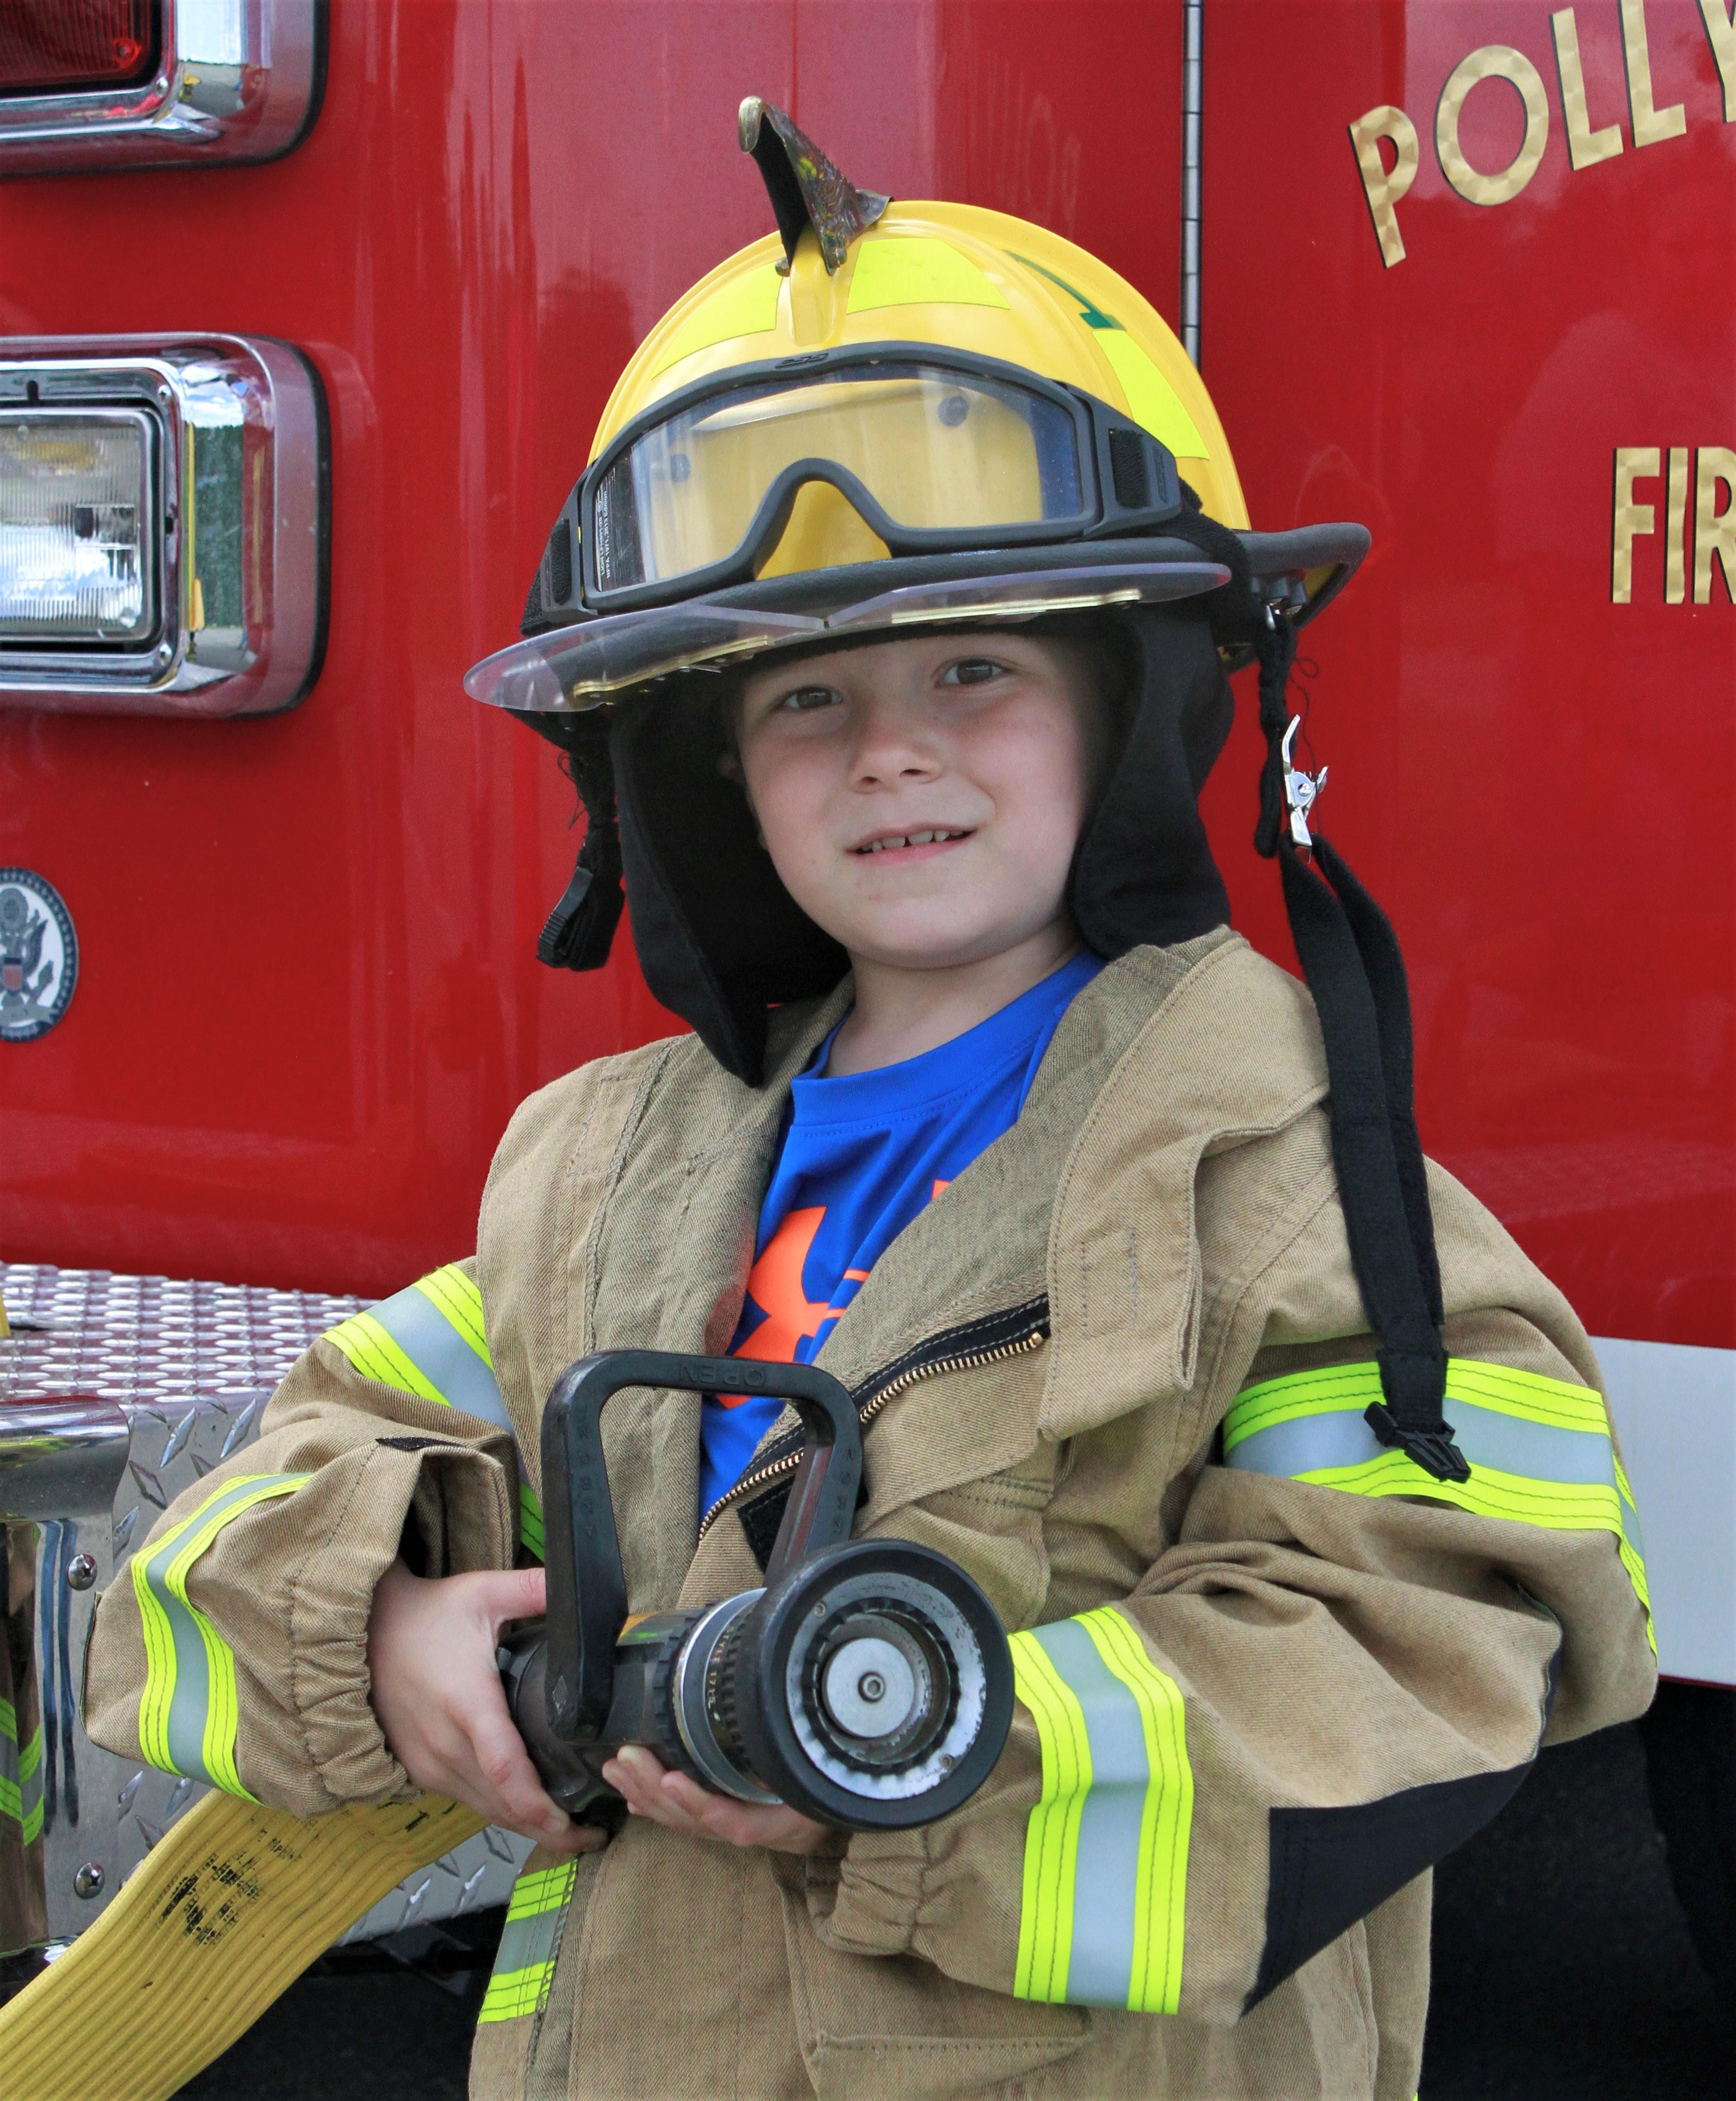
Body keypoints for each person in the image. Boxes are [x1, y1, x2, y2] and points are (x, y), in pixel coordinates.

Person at [83, 102, 1655, 2101]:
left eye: (975, 670)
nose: (892, 756)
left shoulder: (1276, 1180)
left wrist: (909, 1762)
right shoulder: (596, 1175)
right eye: (805, 700)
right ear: (708, 777)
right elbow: (227, 1530)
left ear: (1135, 704)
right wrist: (381, 1631)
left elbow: (1440, 1644)